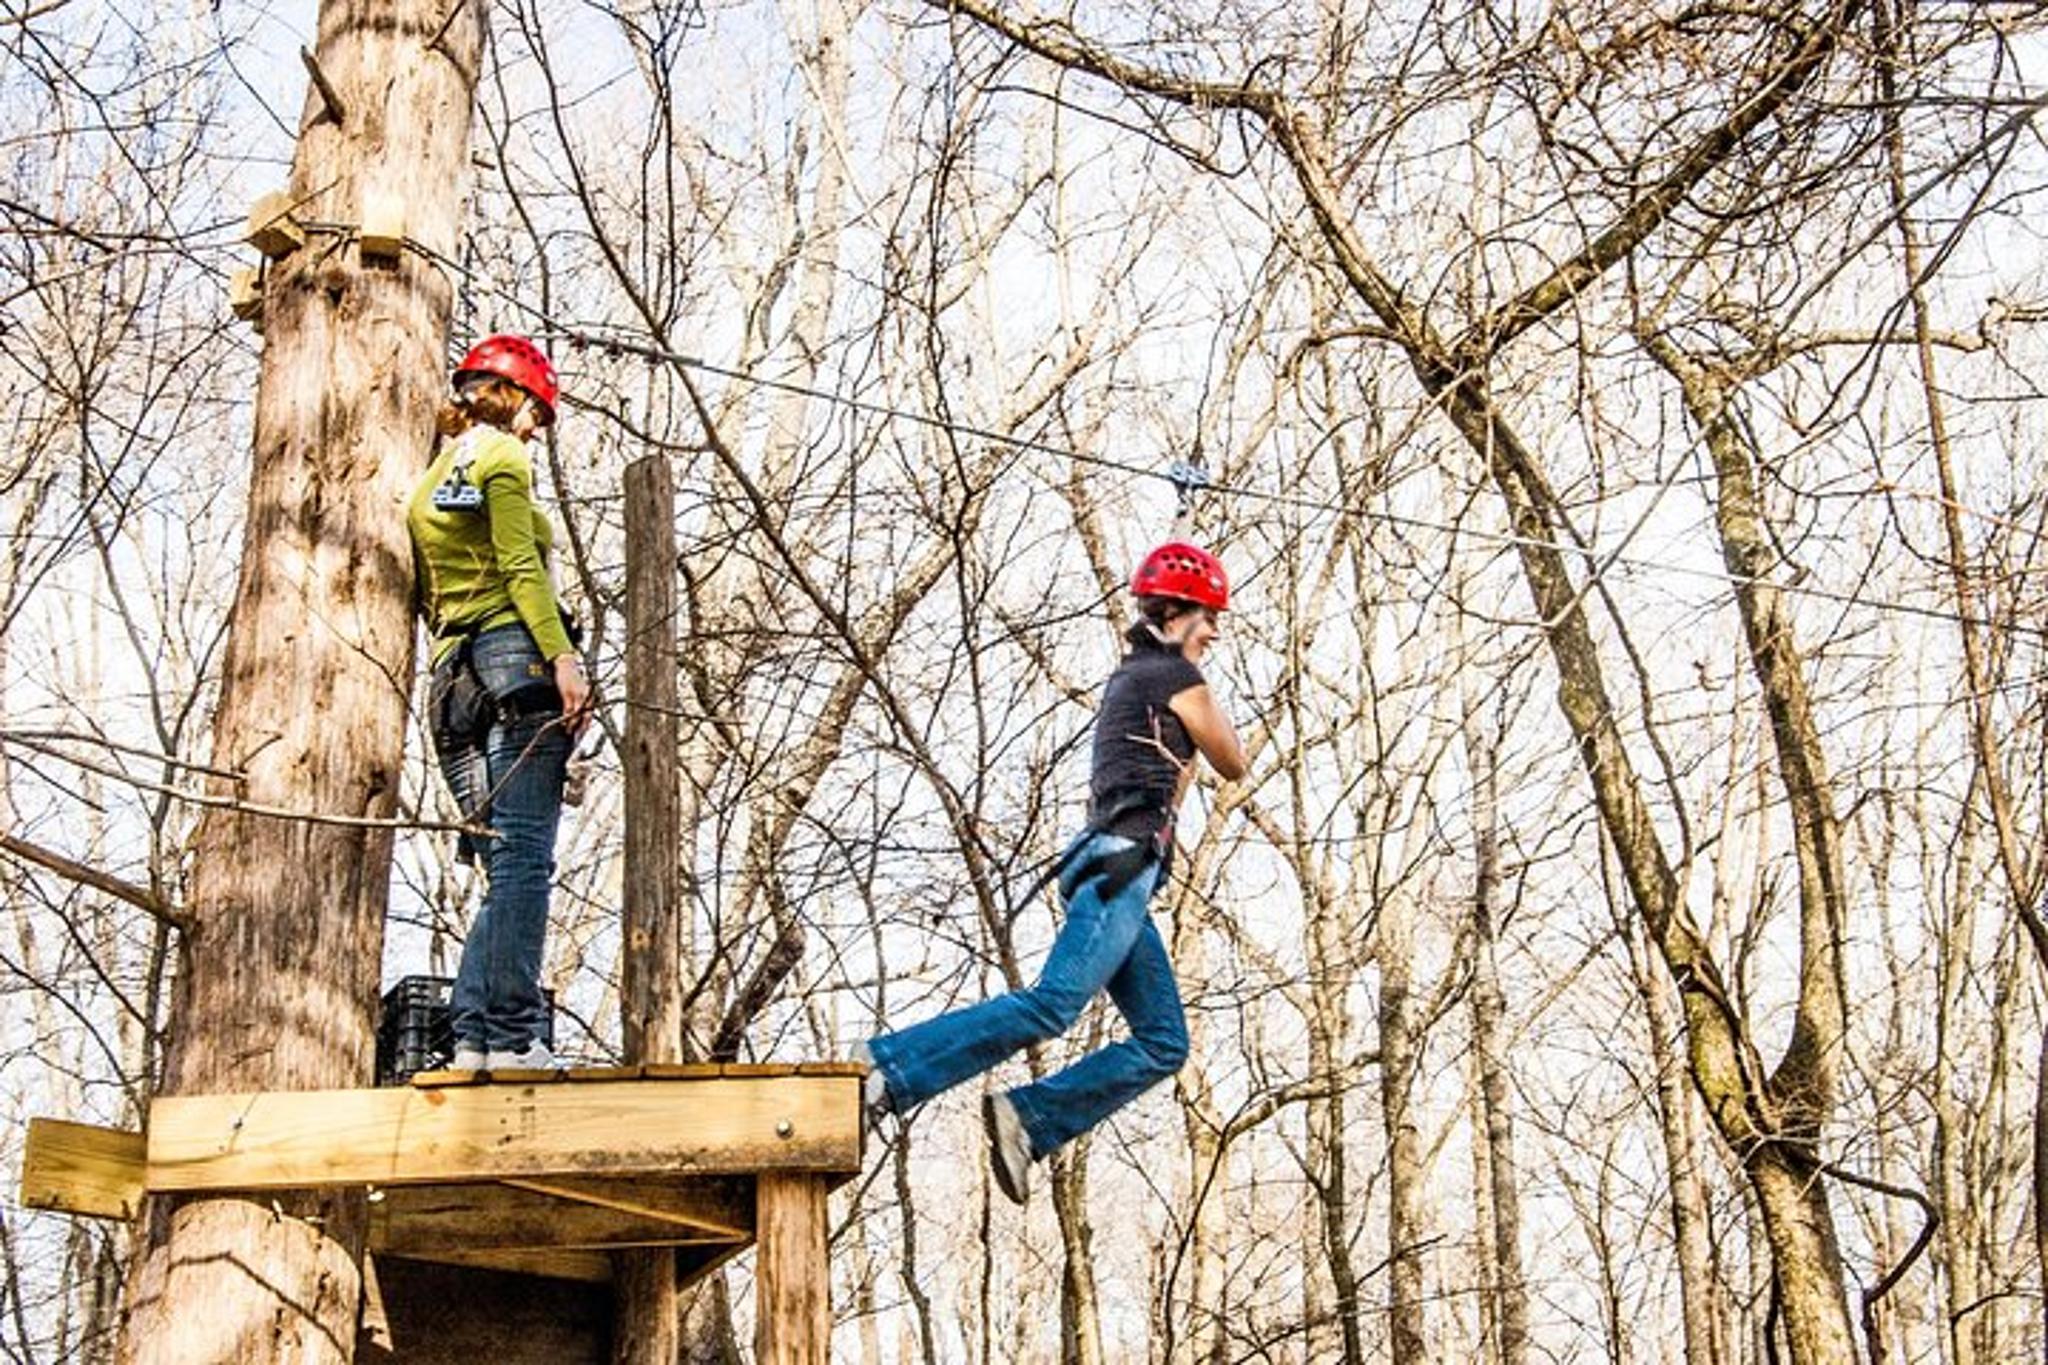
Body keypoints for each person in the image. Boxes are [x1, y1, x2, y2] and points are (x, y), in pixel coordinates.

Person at [860, 541, 1249, 1202]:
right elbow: (1233, 760)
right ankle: (888, 1069)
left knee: (1163, 1041)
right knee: (1053, 1003)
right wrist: (1198, 703)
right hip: (1120, 866)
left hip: (1120, 869)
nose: (1214, 632)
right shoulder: (1172, 678)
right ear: (1175, 612)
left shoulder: (1135, 675)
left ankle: (1029, 1118)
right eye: (1208, 617)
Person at [407, 333, 591, 1071]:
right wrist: (563, 656)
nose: (536, 431)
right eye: (537, 415)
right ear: (515, 399)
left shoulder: (429, 478)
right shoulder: (505, 460)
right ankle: (512, 1036)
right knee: (523, 864)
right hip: (515, 662)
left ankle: (475, 1039)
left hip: (452, 682)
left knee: (501, 865)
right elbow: (520, 566)